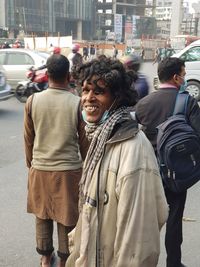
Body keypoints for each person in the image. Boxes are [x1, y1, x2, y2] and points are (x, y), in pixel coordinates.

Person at [65, 57, 168, 267]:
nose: (88, 98)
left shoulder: (133, 148)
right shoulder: (101, 138)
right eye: (85, 91)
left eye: (99, 92)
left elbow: (138, 243)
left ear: (117, 97)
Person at [24, 54, 89, 267]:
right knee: (67, 217)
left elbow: (28, 138)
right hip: (69, 171)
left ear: (47, 75)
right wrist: (87, 168)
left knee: (42, 215)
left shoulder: (33, 101)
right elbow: (84, 141)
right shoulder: (77, 103)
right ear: (68, 75)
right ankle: (63, 261)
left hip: (40, 168)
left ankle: (44, 259)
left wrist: (31, 165)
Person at [135, 57, 200, 267]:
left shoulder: (144, 104)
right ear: (175, 77)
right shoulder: (187, 102)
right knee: (174, 219)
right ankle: (174, 262)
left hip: (148, 172)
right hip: (176, 172)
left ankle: (142, 260)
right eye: (183, 74)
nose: (184, 78)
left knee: (147, 220)